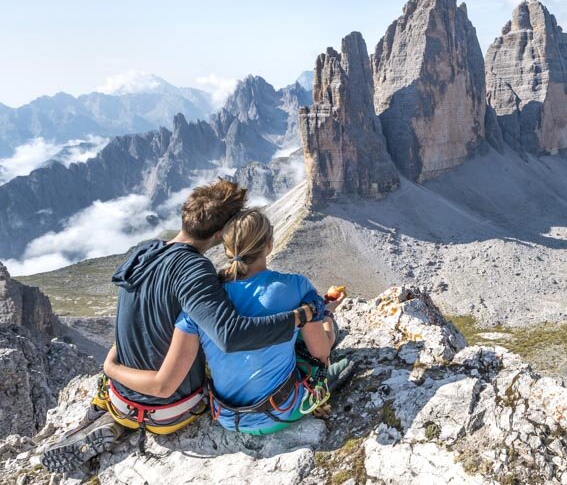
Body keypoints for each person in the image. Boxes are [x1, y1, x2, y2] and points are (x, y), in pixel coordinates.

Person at [40, 180, 325, 472]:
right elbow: (230, 335)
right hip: (169, 411)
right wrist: (302, 315)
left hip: (118, 392)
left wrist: (111, 367)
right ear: (220, 234)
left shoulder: (143, 252)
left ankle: (104, 415)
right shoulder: (195, 270)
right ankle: (125, 420)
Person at [102, 208, 354, 435]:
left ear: (227, 248)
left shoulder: (203, 300)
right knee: (318, 346)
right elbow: (321, 349)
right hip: (281, 412)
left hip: (227, 418)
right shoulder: (296, 285)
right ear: (269, 245)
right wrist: (327, 315)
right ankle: (323, 386)